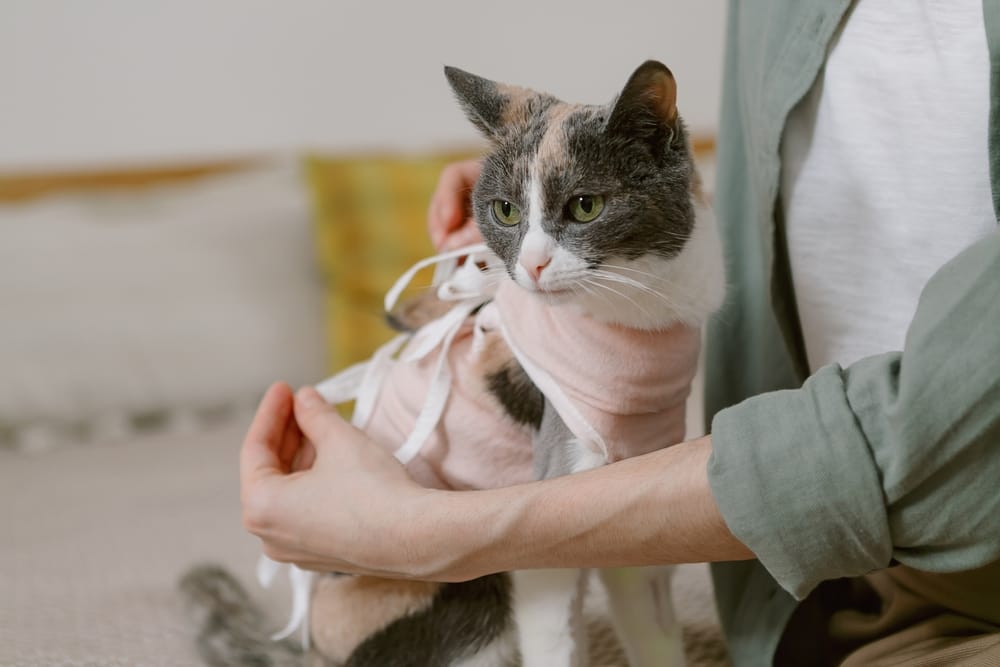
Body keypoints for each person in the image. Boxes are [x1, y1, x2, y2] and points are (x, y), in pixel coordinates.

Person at [240, 1, 1000, 664]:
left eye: (574, 212)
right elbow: (553, 553)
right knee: (491, 624)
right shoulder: (562, 350)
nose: (531, 265)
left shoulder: (631, 344)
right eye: (507, 214)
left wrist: (425, 528)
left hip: (939, 529)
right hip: (414, 606)